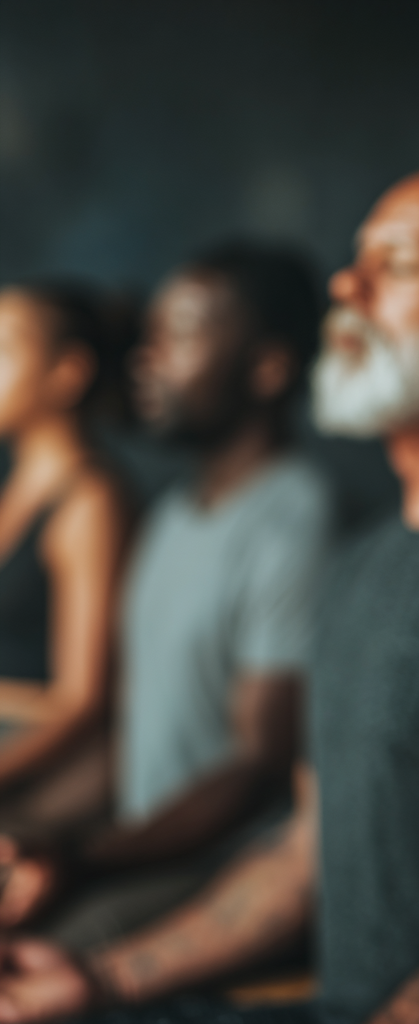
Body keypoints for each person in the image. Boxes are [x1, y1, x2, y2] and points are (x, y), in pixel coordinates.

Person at [0, 166, 419, 1024]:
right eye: (355, 262)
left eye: (400, 263)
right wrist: (104, 980)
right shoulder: (360, 559)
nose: (347, 287)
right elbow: (309, 848)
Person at [0, 241, 331, 947]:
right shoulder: (174, 515)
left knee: (29, 963)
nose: (146, 358)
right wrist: (32, 834)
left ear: (268, 368)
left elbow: (254, 771)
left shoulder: (296, 520)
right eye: (148, 336)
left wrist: (83, 858)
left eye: (177, 336)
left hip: (228, 867)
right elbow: (134, 733)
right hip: (141, 845)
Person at [0, 281, 126, 809]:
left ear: (67, 372)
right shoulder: (16, 483)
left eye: (4, 350)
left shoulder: (88, 503)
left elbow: (83, 702)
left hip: (39, 784)